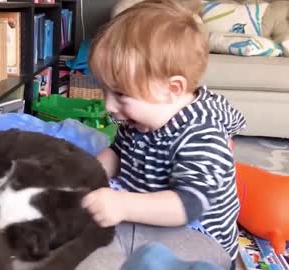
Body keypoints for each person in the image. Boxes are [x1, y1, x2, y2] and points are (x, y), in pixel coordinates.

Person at [78, 0, 246, 269]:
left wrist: (122, 205)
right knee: (87, 235)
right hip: (143, 213)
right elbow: (118, 153)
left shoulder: (202, 134)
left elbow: (187, 205)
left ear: (173, 88)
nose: (109, 106)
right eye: (105, 92)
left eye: (121, 94)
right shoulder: (140, 119)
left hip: (196, 236)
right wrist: (88, 174)